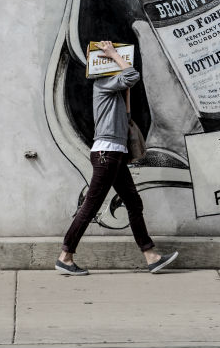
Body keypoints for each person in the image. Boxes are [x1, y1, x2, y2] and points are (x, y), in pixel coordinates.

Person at [56, 40, 178, 276]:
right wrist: (113, 53)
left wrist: (125, 89)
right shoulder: (103, 83)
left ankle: (151, 256)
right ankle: (65, 256)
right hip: (106, 154)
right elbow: (132, 74)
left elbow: (127, 106)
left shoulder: (115, 89)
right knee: (90, 206)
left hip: (114, 153)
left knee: (133, 202)